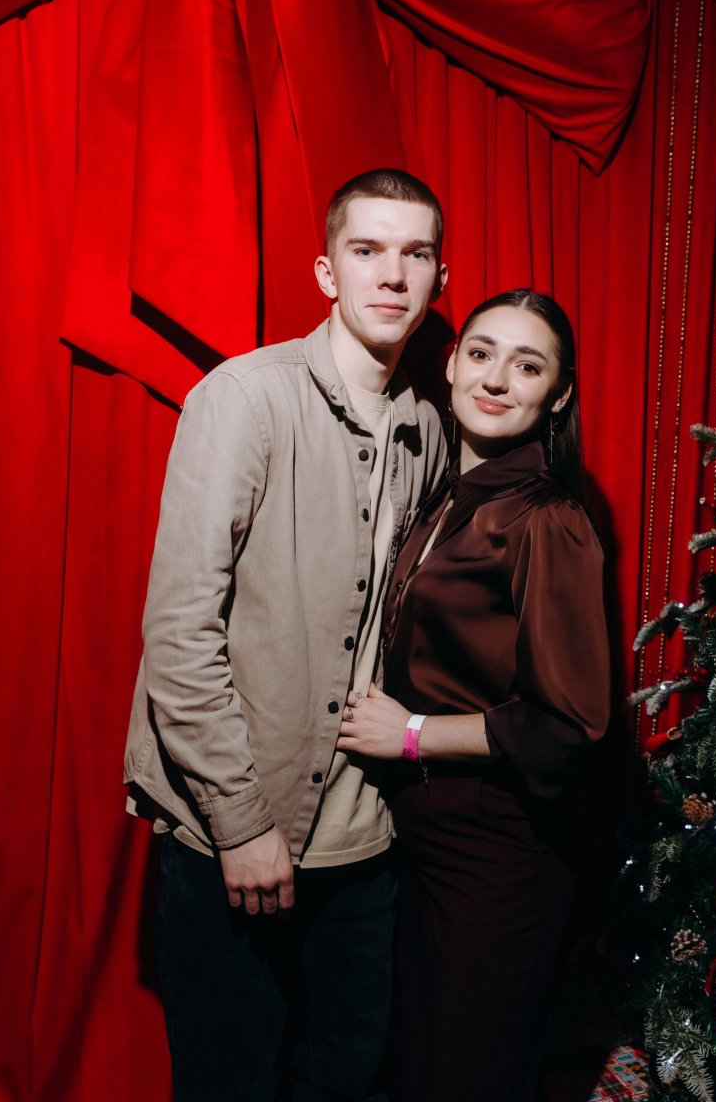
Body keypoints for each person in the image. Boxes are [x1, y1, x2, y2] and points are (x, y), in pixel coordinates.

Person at [123, 168, 449, 1102]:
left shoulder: (430, 426)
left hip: (361, 840)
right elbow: (180, 632)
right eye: (367, 250)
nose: (392, 274)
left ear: (438, 277)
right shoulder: (244, 399)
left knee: (345, 1081)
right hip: (230, 833)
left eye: (416, 254)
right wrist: (242, 823)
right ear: (326, 272)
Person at [337, 289, 611, 1102]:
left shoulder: (547, 520)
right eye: (483, 353)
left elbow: (570, 725)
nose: (496, 379)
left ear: (557, 394)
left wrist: (411, 734)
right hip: (416, 844)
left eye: (527, 366)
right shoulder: (447, 495)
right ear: (452, 363)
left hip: (497, 856)